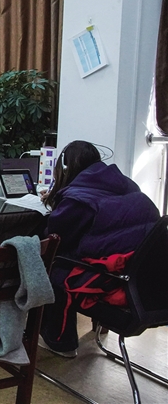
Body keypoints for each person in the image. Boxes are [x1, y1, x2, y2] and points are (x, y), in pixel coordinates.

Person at [38, 140, 160, 358]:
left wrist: (55, 205)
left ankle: (61, 342)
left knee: (51, 269)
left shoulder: (78, 199)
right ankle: (96, 330)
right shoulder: (129, 186)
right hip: (147, 287)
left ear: (65, 167)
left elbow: (57, 238)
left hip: (113, 282)